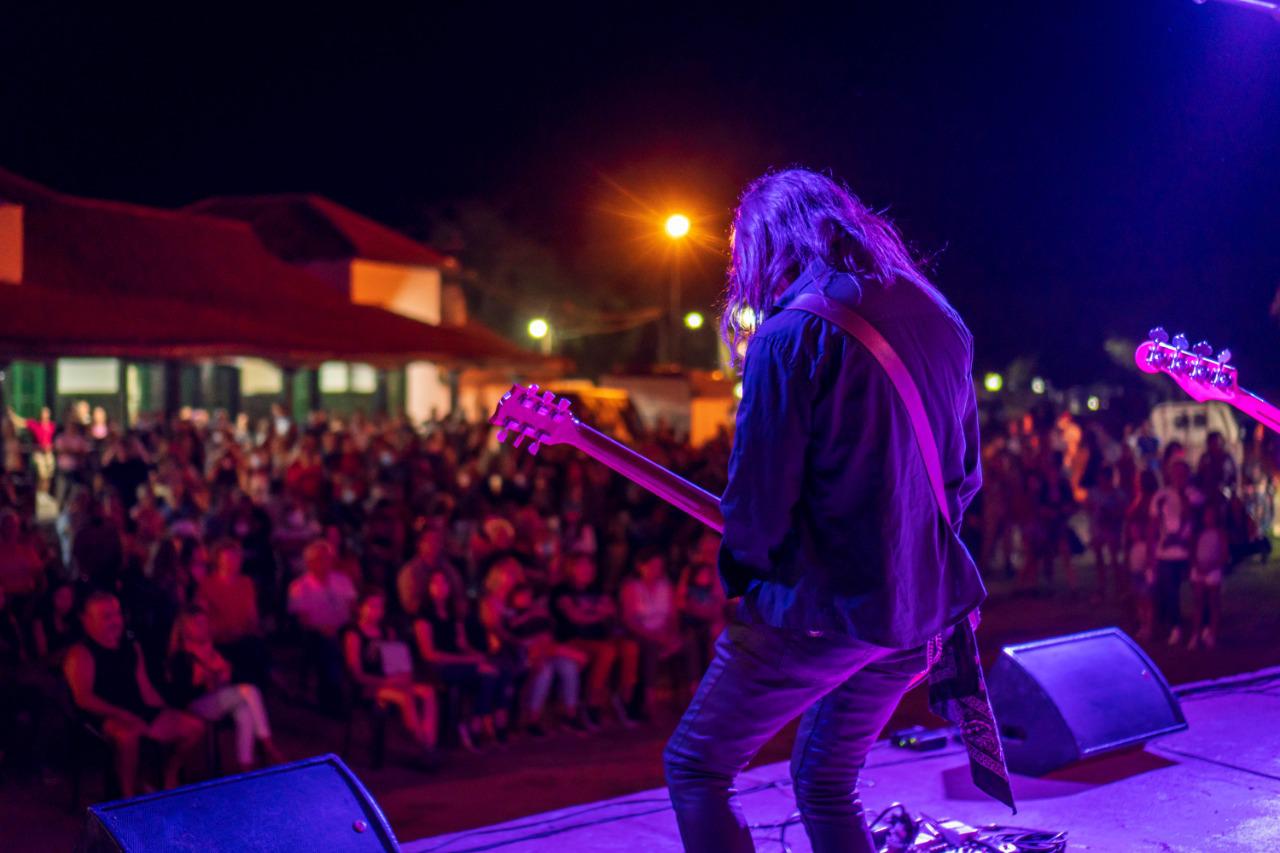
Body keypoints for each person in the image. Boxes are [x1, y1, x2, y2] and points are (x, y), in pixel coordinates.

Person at [662, 169, 989, 852]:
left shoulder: (790, 332)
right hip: (920, 614)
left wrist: (746, 591)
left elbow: (757, 506)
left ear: (762, 246)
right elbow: (962, 478)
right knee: (825, 778)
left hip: (825, 612)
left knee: (697, 765)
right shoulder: (941, 318)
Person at [63, 591, 205, 798]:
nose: (115, 621)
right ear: (87, 620)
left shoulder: (132, 647)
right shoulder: (81, 653)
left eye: (117, 614)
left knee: (194, 727)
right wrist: (122, 714)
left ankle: (169, 773)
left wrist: (164, 710)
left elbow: (144, 686)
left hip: (136, 708)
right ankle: (128, 797)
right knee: (127, 736)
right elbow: (83, 698)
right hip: (102, 714)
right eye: (106, 617)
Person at [167, 608, 284, 773]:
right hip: (195, 705)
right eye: (199, 623)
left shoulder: (215, 649)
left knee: (244, 710)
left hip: (221, 698)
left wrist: (224, 674)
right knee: (248, 691)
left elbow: (234, 675)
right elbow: (183, 691)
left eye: (205, 623)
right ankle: (268, 745)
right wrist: (211, 677)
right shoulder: (182, 656)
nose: (205, 627)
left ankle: (246, 767)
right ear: (186, 627)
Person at [342, 589, 440, 763]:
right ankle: (424, 747)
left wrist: (403, 677)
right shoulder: (354, 634)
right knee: (405, 698)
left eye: (380, 607)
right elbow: (356, 673)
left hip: (391, 681)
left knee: (428, 692)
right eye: (372, 606)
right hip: (370, 685)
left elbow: (399, 662)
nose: (376, 611)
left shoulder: (388, 632)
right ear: (360, 607)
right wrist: (386, 682)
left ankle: (429, 742)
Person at [411, 570, 503, 750]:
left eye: (444, 583)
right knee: (486, 673)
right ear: (429, 588)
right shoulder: (423, 617)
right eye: (435, 583)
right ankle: (473, 725)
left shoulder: (454, 615)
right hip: (436, 666)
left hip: (457, 661)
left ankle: (473, 723)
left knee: (493, 672)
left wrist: (476, 655)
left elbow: (462, 644)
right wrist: (468, 661)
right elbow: (428, 653)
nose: (440, 588)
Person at [551, 552, 623, 728]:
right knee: (607, 651)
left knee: (628, 648)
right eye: (583, 566)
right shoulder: (561, 590)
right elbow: (575, 617)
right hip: (572, 640)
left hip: (598, 639)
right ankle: (593, 703)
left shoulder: (597, 588)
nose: (588, 570)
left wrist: (590, 612)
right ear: (571, 568)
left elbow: (612, 610)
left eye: (590, 566)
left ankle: (625, 701)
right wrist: (598, 611)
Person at [287, 540, 357, 711]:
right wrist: (323, 628)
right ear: (309, 562)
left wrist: (343, 625)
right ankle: (333, 696)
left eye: (327, 558)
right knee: (328, 645)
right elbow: (303, 619)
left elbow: (353, 607)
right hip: (315, 631)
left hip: (343, 627)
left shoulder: (342, 580)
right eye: (319, 559)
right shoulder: (299, 586)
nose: (324, 563)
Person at [619, 546, 685, 721]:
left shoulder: (666, 586)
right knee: (650, 647)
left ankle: (690, 693)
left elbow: (673, 616)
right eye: (653, 566)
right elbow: (630, 620)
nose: (657, 570)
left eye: (660, 567)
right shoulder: (632, 587)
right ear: (641, 566)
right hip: (642, 634)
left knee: (687, 643)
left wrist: (670, 635)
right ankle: (649, 700)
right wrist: (657, 637)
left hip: (662, 632)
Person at [1150, 459, 1202, 646]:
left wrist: (1182, 495)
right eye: (1176, 473)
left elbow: (1195, 516)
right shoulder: (1161, 496)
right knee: (1170, 592)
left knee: (1194, 591)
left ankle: (1198, 628)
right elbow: (1154, 526)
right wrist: (1153, 553)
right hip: (1166, 554)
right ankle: (1175, 627)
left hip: (1189, 553)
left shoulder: (1194, 495)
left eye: (1182, 473)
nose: (1179, 476)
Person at [1189, 502, 1227, 650]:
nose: (1209, 518)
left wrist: (1211, 566)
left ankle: (1212, 633)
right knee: (1198, 604)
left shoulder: (1220, 533)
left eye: (1212, 515)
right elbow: (1193, 551)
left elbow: (1224, 555)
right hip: (1199, 570)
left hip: (1213, 570)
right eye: (1207, 515)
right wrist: (1197, 566)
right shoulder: (1199, 533)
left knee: (1213, 602)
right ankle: (1196, 633)